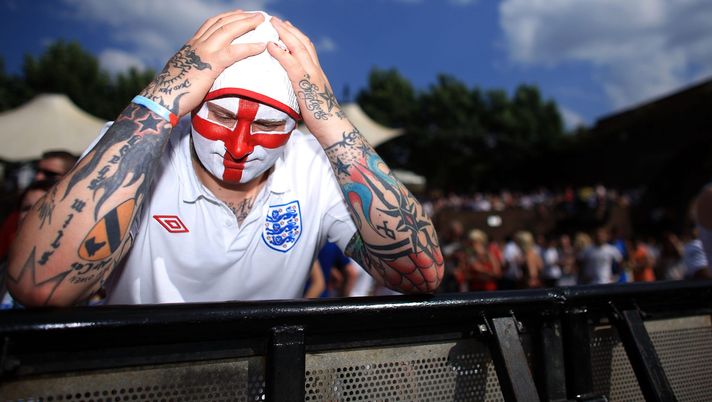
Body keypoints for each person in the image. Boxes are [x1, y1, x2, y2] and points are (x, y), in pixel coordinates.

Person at [6, 11, 443, 306]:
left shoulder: (313, 163)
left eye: (268, 127)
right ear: (192, 104)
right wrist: (162, 96)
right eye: (219, 114)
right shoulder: (141, 148)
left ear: (296, 126)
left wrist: (329, 119)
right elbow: (39, 287)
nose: (237, 147)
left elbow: (419, 276)